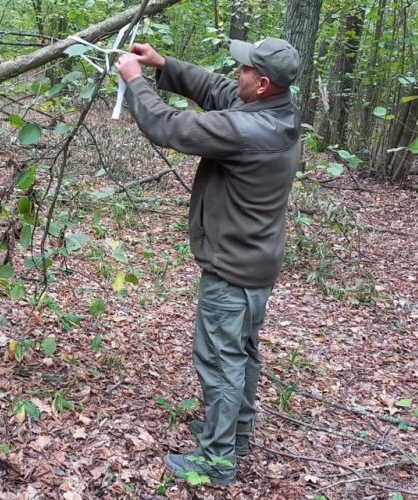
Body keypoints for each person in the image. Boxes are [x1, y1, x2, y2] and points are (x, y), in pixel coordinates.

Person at [115, 38, 300, 484]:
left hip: (232, 271)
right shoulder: (279, 112)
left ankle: (217, 460)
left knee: (220, 362)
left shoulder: (246, 131)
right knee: (243, 354)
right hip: (256, 264)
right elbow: (220, 91)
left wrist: (136, 82)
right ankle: (234, 433)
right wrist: (164, 64)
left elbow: (172, 128)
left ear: (263, 83)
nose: (236, 74)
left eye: (245, 70)